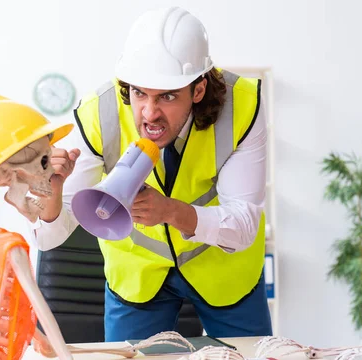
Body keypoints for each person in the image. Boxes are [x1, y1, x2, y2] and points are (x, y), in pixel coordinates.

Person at [31, 6, 272, 341]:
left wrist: (170, 211)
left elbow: (244, 225)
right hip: (137, 276)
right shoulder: (98, 113)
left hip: (223, 270)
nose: (149, 113)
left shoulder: (242, 106)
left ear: (198, 90)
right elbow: (49, 238)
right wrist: (53, 196)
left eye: (167, 96)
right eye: (139, 92)